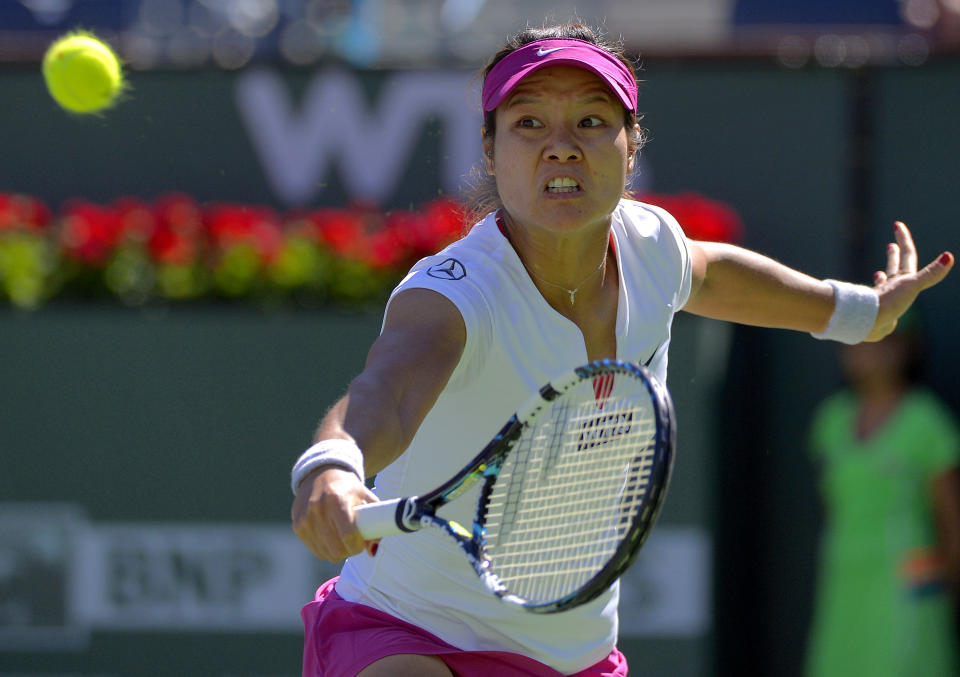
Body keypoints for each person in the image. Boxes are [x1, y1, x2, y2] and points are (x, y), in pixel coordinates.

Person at [289, 22, 954, 677]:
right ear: (489, 151)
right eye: (528, 123)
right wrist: (334, 465)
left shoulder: (651, 246)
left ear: (632, 146)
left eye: (590, 121)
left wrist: (859, 313)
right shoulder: (453, 293)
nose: (562, 147)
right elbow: (389, 391)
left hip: (571, 655)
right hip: (406, 630)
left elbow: (713, 273)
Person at [805, 312, 960, 677]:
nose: (865, 351)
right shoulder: (830, 421)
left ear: (906, 349)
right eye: (857, 341)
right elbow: (833, 507)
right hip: (843, 578)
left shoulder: (927, 421)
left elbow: (952, 522)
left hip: (910, 585)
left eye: (881, 340)